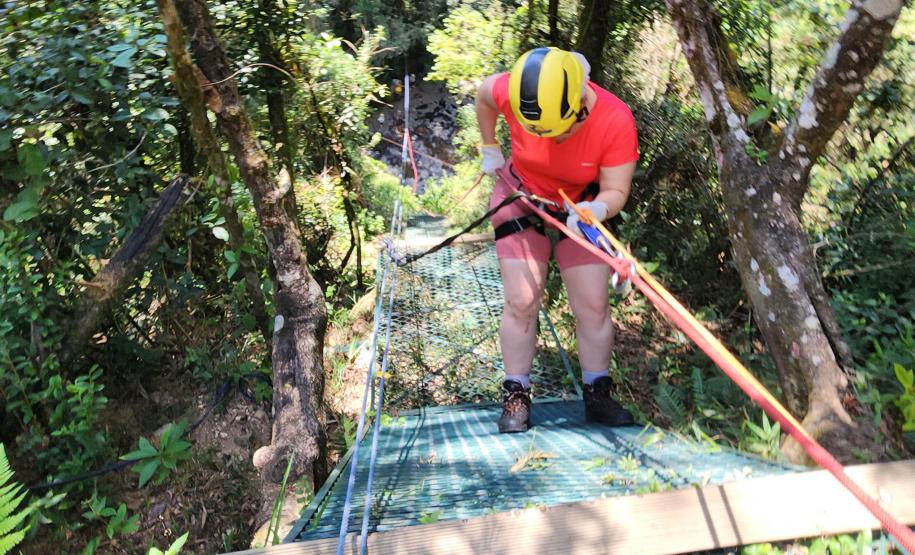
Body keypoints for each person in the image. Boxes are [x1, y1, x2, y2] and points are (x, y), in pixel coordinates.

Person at [475, 47, 639, 433]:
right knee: (522, 300)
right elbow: (485, 94)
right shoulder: (517, 92)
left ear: (581, 98)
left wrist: (596, 211)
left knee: (594, 304)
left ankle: (598, 393)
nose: (555, 139)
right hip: (520, 194)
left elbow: (616, 189)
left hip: (581, 204)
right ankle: (517, 394)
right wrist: (490, 148)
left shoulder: (614, 119)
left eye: (563, 128)